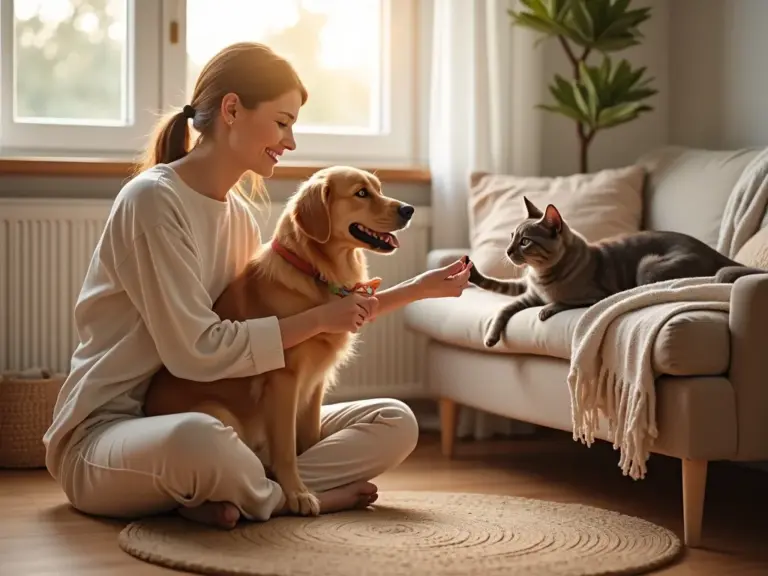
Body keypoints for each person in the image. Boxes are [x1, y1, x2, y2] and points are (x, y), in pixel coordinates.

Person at [43, 42, 472, 530]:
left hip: (227, 425)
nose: (290, 142)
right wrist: (319, 318)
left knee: (395, 421)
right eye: (283, 122)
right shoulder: (153, 203)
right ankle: (288, 495)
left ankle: (247, 490)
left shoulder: (240, 218)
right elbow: (194, 352)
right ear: (232, 110)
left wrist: (410, 288)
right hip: (113, 432)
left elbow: (278, 324)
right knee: (200, 441)